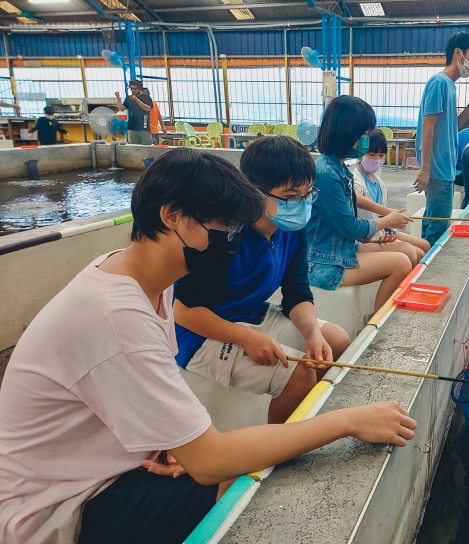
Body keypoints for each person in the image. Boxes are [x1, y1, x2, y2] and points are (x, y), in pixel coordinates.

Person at [0, 148, 417, 544]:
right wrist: (347, 422)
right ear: (173, 217)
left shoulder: (143, 280)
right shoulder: (117, 317)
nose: (231, 240)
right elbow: (211, 459)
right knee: (238, 489)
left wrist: (176, 445)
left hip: (111, 464)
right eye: (224, 227)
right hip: (61, 508)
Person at [174, 136, 351, 424]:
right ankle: (276, 453)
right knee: (299, 374)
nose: (301, 204)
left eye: (307, 194)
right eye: (291, 195)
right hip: (200, 333)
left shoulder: (293, 229)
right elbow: (182, 311)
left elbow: (296, 290)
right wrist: (246, 338)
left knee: (336, 342)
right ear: (254, 191)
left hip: (250, 315)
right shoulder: (224, 232)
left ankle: (300, 419)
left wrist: (312, 334)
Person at [306, 95, 415, 313]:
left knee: (409, 252)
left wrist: (374, 236)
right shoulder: (327, 174)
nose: (367, 140)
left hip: (340, 248)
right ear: (346, 133)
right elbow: (350, 227)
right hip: (323, 262)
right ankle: (375, 326)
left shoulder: (338, 168)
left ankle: (382, 315)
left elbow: (345, 225)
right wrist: (386, 221)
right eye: (363, 134)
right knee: (401, 263)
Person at [414, 32, 469, 245]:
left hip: (444, 168)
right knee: (436, 228)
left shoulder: (449, 86)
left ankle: (421, 264)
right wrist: (426, 168)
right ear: (458, 53)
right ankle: (425, 269)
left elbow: (451, 126)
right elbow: (428, 125)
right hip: (437, 169)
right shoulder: (439, 82)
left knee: (434, 222)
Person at [353, 129, 430, 262]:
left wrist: (394, 220)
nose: (376, 160)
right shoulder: (355, 178)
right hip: (367, 236)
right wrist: (389, 213)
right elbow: (357, 198)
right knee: (417, 254)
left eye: (381, 155)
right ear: (361, 153)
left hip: (383, 231)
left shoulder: (380, 183)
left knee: (426, 245)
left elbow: (381, 217)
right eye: (371, 154)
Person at [115, 79, 153, 145]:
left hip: (144, 127)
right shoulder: (129, 99)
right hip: (132, 127)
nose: (133, 91)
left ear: (139, 88)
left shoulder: (146, 98)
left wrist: (136, 100)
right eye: (131, 89)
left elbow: (147, 108)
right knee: (134, 148)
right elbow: (121, 108)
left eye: (135, 89)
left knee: (147, 147)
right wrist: (118, 98)